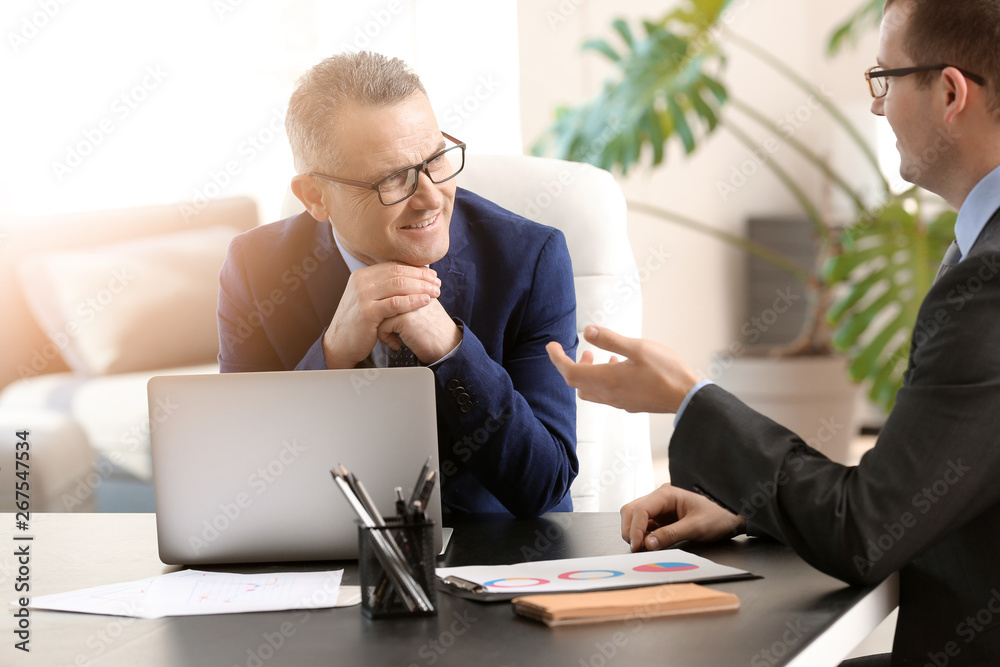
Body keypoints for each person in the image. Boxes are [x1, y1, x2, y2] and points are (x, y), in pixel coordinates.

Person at [547, 0, 1000, 664]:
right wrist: (749, 507)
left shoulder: (985, 281)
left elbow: (870, 528)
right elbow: (923, 485)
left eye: (886, 80)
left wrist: (688, 396)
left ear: (950, 92)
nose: (877, 107)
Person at [218, 51, 578, 517]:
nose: (431, 197)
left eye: (435, 161)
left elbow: (543, 485)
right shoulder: (255, 267)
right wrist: (329, 358)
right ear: (315, 196)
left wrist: (450, 349)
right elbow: (241, 481)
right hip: (328, 555)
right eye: (393, 179)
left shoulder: (530, 259)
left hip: (496, 557)